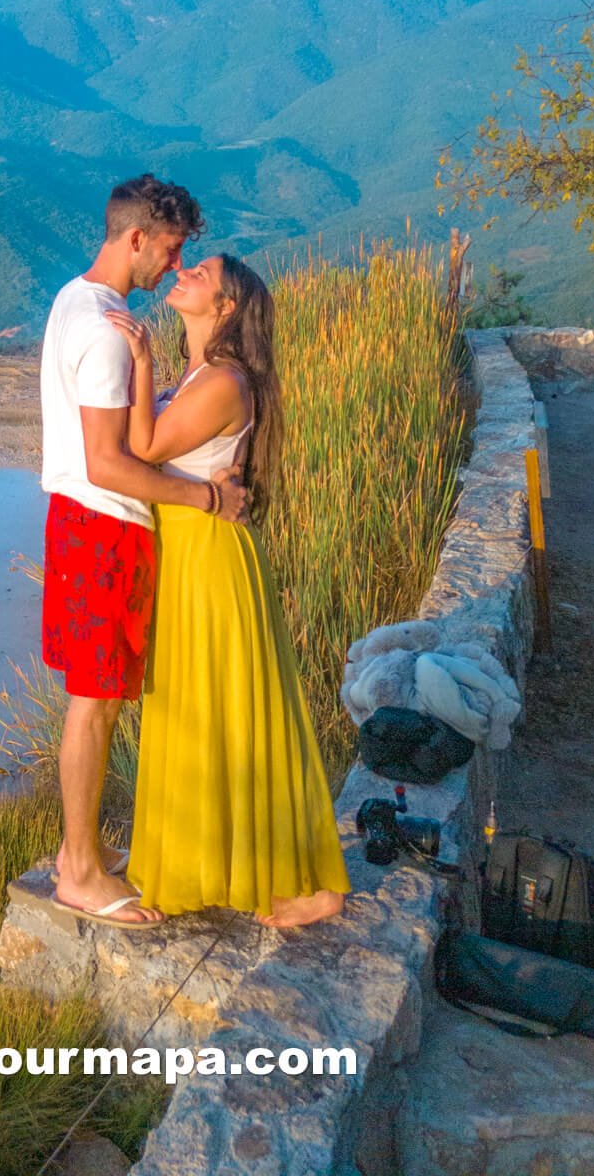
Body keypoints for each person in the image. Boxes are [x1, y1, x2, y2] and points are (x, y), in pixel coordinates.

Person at [109, 254, 350, 928]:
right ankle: (224, 864)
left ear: (226, 308)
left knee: (230, 708)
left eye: (203, 273)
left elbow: (145, 445)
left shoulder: (223, 381)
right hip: (190, 554)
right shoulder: (205, 374)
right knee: (201, 707)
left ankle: (302, 882)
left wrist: (141, 364)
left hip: (209, 560)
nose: (183, 272)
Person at [39, 176, 250, 930]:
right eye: (171, 247)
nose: (174, 262)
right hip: (104, 524)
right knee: (93, 706)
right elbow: (110, 463)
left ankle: (77, 857)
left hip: (76, 521)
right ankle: (83, 873)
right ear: (136, 239)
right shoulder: (104, 331)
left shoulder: (74, 300)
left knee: (91, 698)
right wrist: (207, 498)